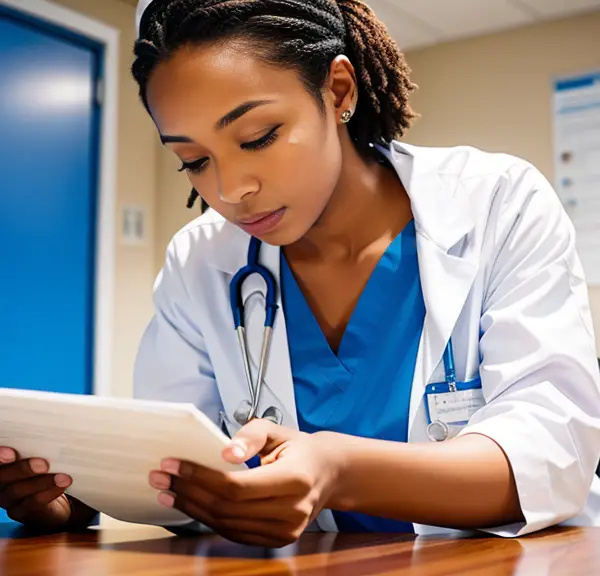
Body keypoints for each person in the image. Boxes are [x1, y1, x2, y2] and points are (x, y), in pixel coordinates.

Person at [1, 0, 599, 548]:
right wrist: (72, 501)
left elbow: (552, 453)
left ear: (338, 89)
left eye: (259, 137)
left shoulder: (498, 203)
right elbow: (180, 469)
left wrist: (337, 469)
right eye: (194, 161)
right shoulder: (202, 260)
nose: (230, 191)